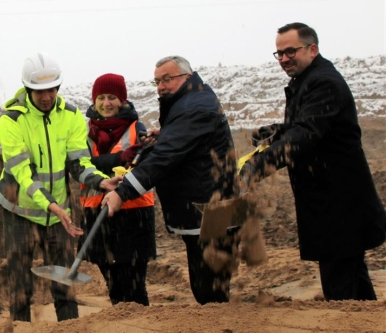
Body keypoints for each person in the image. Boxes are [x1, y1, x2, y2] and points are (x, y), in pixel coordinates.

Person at [240, 22, 386, 301]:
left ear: (312, 48)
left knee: (341, 289)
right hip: (334, 203)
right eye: (279, 53)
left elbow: (306, 135)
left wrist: (256, 167)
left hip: (339, 204)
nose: (283, 59)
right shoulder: (308, 80)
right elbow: (309, 126)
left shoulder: (322, 82)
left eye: (290, 51)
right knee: (352, 279)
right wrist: (277, 132)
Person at [102, 56, 237, 305]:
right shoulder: (191, 100)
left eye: (167, 79)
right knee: (207, 290)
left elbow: (166, 157)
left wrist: (124, 192)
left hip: (211, 211)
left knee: (210, 294)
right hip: (205, 209)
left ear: (187, 76)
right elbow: (186, 142)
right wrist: (165, 134)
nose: (161, 86)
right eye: (157, 81)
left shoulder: (193, 107)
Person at [0, 52, 118, 322]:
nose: (47, 96)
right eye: (39, 91)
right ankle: (21, 327)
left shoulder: (71, 116)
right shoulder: (11, 120)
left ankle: (71, 327)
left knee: (65, 281)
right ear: (28, 89)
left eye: (51, 89)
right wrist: (52, 206)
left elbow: (78, 164)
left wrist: (99, 181)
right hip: (20, 212)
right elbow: (22, 176)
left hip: (58, 213)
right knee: (19, 284)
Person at [78, 73, 156, 306]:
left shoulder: (137, 129)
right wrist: (118, 158)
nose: (106, 103)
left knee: (134, 287)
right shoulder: (84, 133)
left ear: (122, 100)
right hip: (96, 212)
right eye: (101, 98)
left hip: (133, 214)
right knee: (114, 287)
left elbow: (146, 167)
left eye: (112, 97)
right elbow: (81, 165)